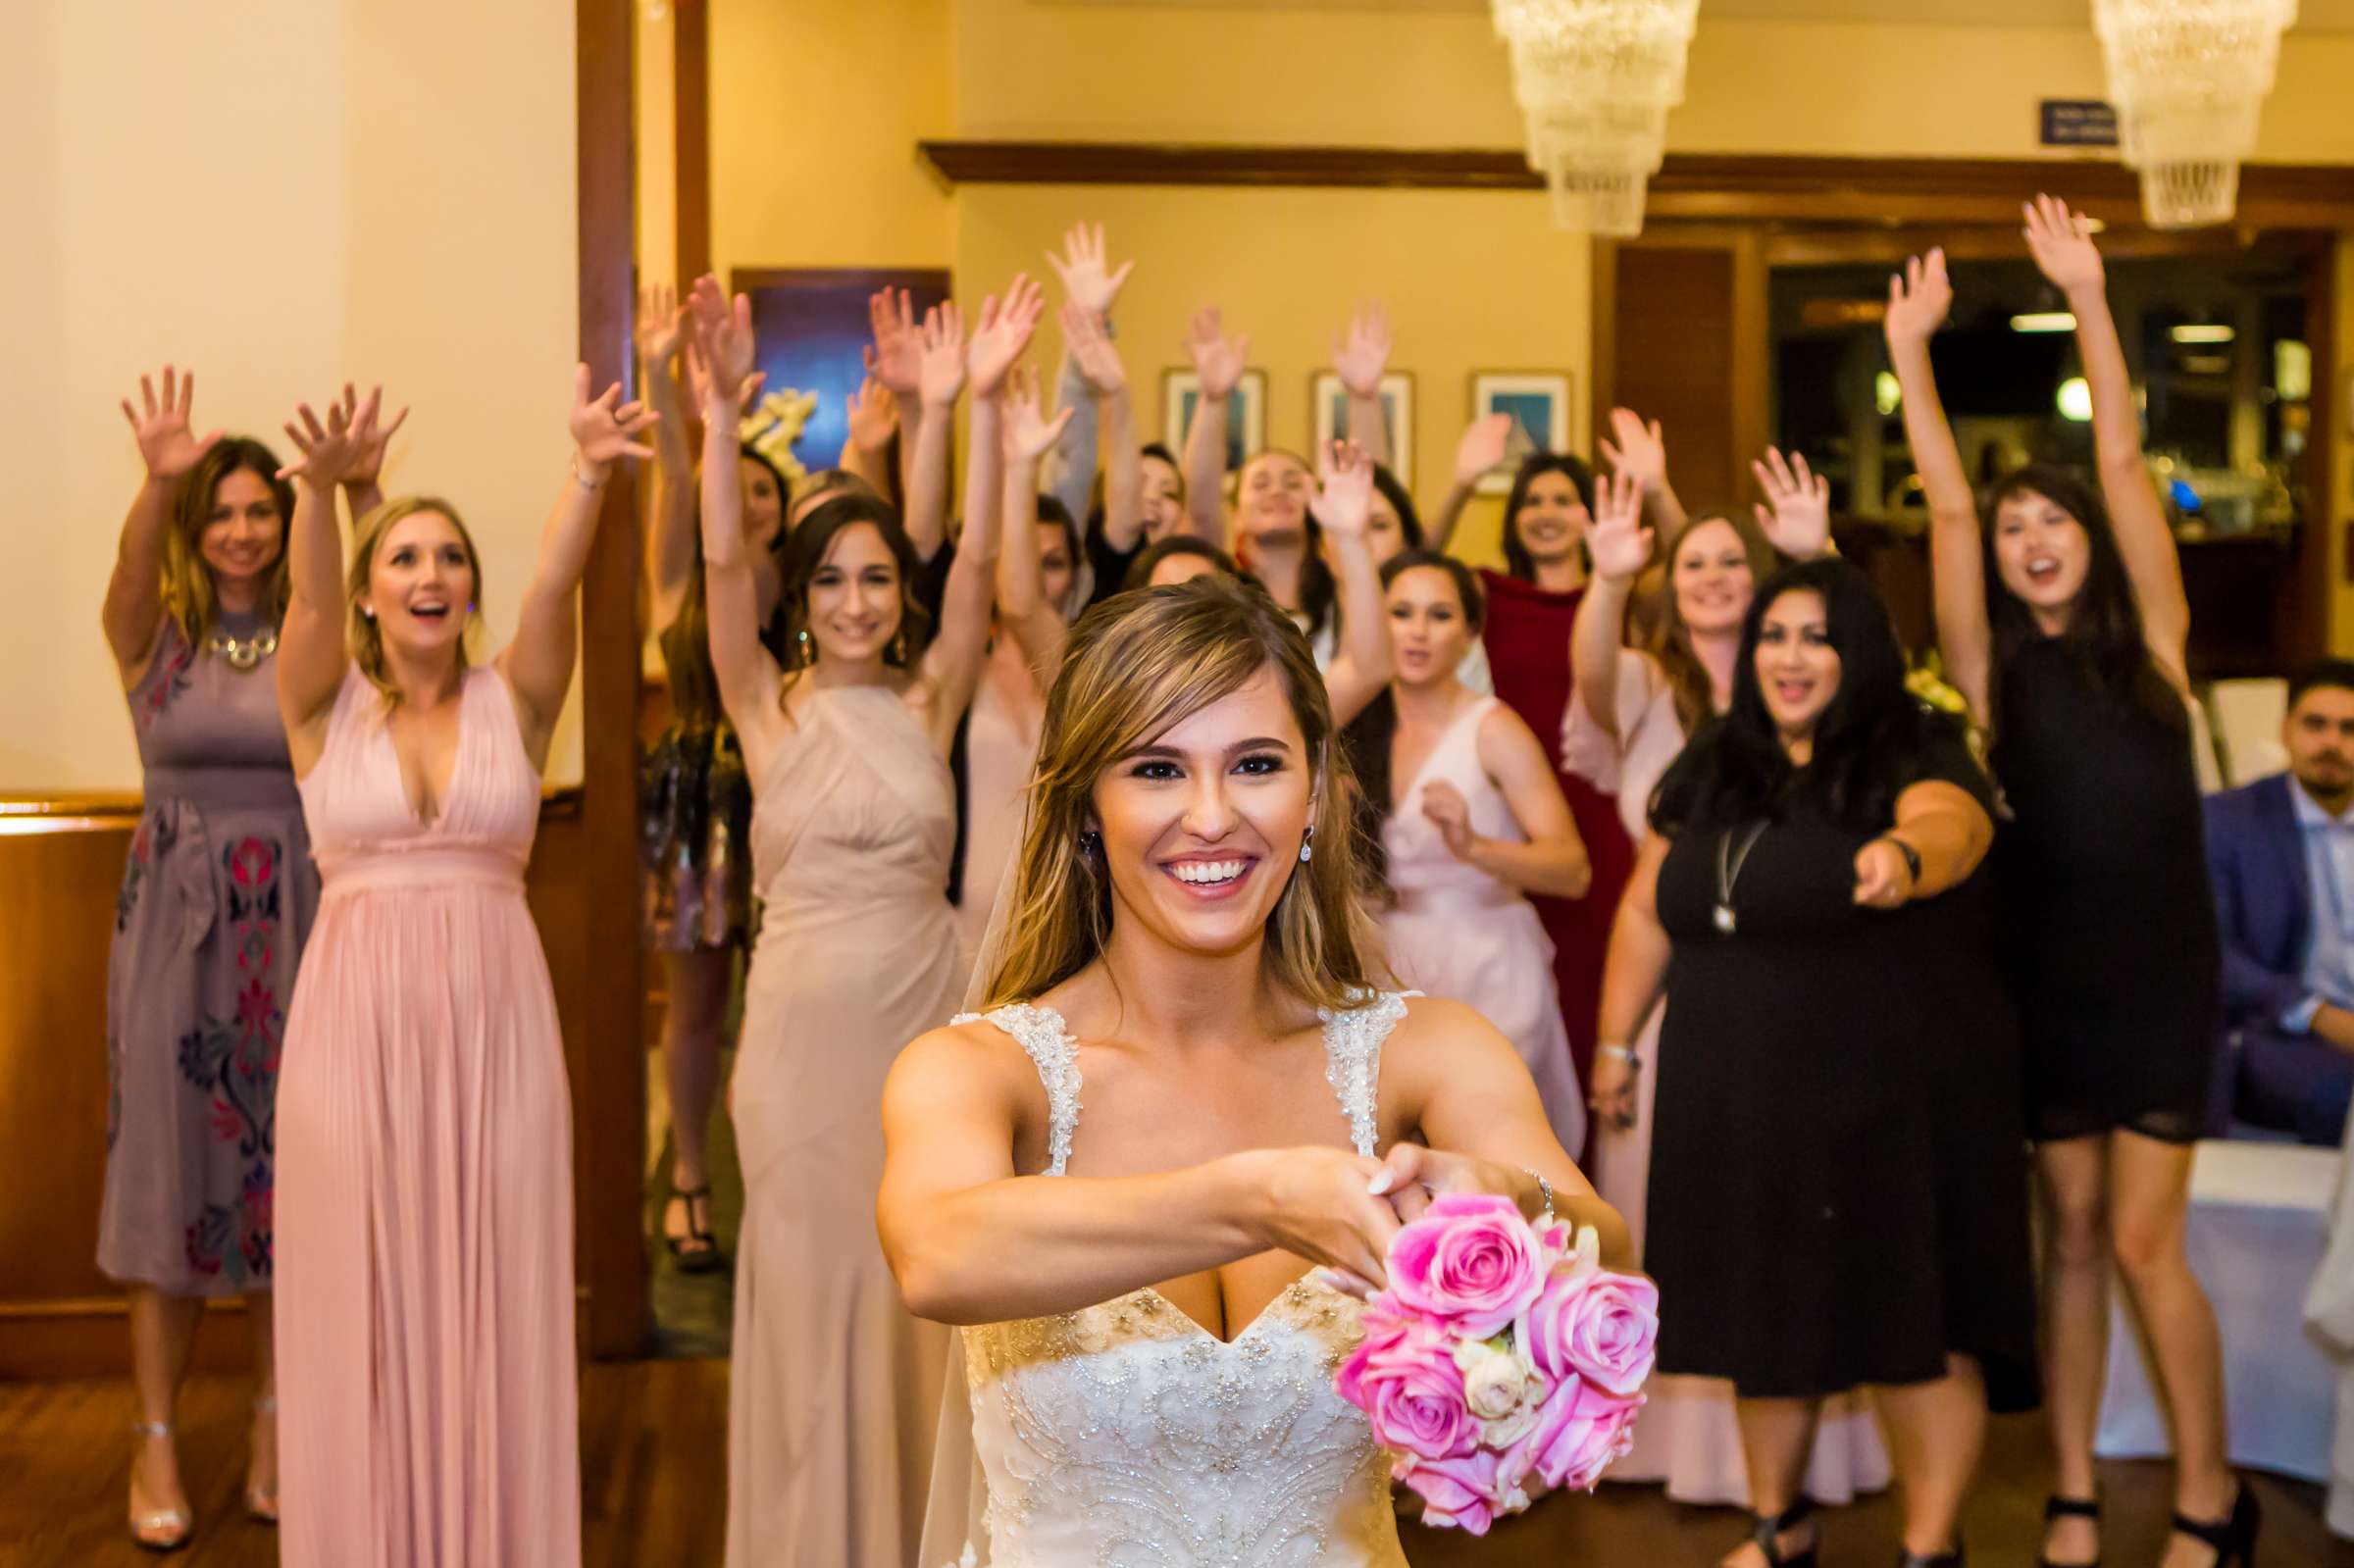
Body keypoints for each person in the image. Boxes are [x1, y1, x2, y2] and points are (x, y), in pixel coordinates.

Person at [877, 573, 1628, 1568]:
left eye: (1256, 764)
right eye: (1155, 769)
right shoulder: (980, 1070)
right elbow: (937, 1253)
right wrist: (1261, 1196)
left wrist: (1497, 1197)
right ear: (1085, 809)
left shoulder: (1426, 1050)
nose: (1213, 816)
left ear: (1314, 791)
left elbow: (1607, 1246)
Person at [1886, 196, 2250, 1568]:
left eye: (2057, 519)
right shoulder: (1992, 669)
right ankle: (2079, 1485)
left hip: (2161, 978)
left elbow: (2118, 443)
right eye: (2020, 521)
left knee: (2149, 1240)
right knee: (2077, 1236)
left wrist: (2090, 295)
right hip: (2040, 980)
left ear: (2095, 532)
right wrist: (1910, 353)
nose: (2033, 535)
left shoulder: (2157, 642)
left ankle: (2212, 1492)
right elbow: (1948, 502)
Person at [272, 375, 651, 1565]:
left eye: (449, 559)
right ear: (372, 590)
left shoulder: (518, 703)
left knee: (498, 1291)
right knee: (364, 1297)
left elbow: (555, 586)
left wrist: (588, 470)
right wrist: (326, 493)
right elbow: (308, 598)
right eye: (405, 560)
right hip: (351, 1033)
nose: (431, 576)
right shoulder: (317, 705)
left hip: (497, 1027)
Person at [1597, 557, 2037, 1568]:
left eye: (1816, 637)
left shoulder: (1911, 742)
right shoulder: (1721, 754)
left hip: (1890, 1087)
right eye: (1774, 636)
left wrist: (1905, 858)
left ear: (1860, 651)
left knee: (1910, 1315)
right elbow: (1643, 905)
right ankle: (1780, 1527)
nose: (1789, 658)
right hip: (1735, 1089)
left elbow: (1955, 825)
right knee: (1766, 1308)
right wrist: (1616, 1044)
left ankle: (1930, 1547)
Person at [689, 268, 1025, 1566]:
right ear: (800, 598)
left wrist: (984, 406)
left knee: (919, 1286)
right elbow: (723, 553)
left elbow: (983, 556)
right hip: (792, 1048)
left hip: (922, 1028)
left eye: (878, 578)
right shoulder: (763, 706)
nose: (856, 601)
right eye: (830, 580)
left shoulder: (934, 697)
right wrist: (718, 412)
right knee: (812, 1283)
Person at [1572, 461, 1890, 1509]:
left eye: (1733, 562)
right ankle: (1663, 1447)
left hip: (1795, 1000)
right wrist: (1611, 578)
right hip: (1668, 981)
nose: (1713, 577)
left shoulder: (1810, 693)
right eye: (1693, 561)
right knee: (1670, 1205)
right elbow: (1589, 684)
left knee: (1793, 1221)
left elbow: (1857, 650)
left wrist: (1817, 553)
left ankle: (1801, 1470)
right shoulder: (1645, 681)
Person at [97, 368, 356, 1549]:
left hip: (301, 921)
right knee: (165, 1173)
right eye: (224, 511)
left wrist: (353, 490)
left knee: (286, 1180)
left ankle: (274, 1417)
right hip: (176, 929)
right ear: (199, 529)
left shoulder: (314, 636)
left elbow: (372, 611)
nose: (244, 529)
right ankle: (154, 1436)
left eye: (263, 509)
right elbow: (125, 580)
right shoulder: (159, 640)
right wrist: (156, 483)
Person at [1347, 549, 1593, 1153]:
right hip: (1391, 962)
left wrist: (1474, 846)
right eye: (1401, 613)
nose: (1419, 631)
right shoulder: (1358, 727)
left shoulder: (1494, 728)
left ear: (1471, 633)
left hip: (1489, 960)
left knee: (1493, 1151)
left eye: (1440, 615)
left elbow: (1572, 870)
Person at [633, 281, 773, 1272]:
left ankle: (772, 1183)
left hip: (780, 800)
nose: (754, 501)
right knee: (696, 1011)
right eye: (745, 486)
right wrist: (660, 375)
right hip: (692, 801)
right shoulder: (684, 578)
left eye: (770, 490)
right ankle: (688, 1179)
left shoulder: (812, 587)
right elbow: (678, 489)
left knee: (776, 1016)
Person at [2205, 660, 2354, 1145]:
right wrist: (2317, 1013)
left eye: (2350, 729)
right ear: (2285, 729)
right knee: (2342, 1095)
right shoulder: (2230, 821)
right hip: (2279, 1030)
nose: (2332, 743)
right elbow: (2213, 952)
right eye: (2316, 724)